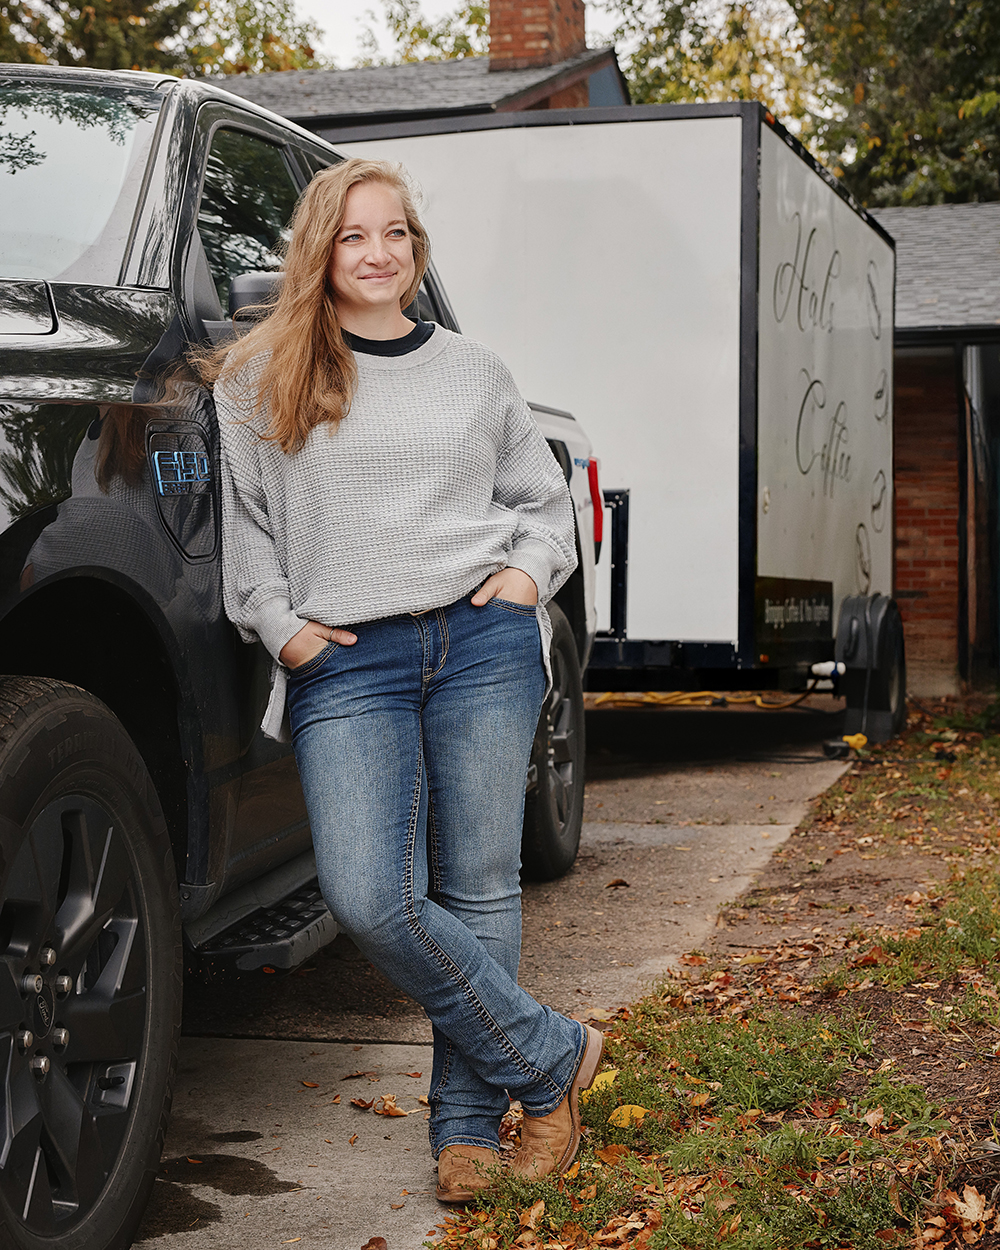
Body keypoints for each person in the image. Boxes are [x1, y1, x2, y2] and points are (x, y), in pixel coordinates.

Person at [206, 157, 602, 1204]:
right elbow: (245, 534)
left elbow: (540, 498)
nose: (377, 253)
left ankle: (468, 1128)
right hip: (348, 658)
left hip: (479, 641)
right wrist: (283, 630)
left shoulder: (474, 370)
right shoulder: (260, 375)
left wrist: (525, 574)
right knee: (370, 893)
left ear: (415, 250)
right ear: (320, 252)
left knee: (479, 885)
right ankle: (552, 1054)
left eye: (395, 234)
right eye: (353, 235)